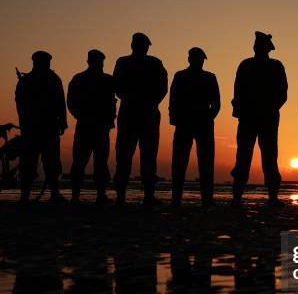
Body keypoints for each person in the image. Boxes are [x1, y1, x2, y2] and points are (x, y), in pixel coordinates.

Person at [230, 31, 288, 207]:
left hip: (267, 119)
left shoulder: (275, 66)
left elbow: (282, 94)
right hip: (250, 118)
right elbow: (238, 92)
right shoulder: (246, 65)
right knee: (244, 157)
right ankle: (237, 197)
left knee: (268, 158)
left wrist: (270, 109)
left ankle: (271, 197)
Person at [113, 33, 168, 206]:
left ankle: (132, 196)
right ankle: (141, 195)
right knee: (137, 154)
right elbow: (117, 87)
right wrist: (149, 101)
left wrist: (147, 101)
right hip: (141, 112)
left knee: (133, 154)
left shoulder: (128, 62)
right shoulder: (151, 63)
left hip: (138, 111)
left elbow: (162, 88)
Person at [169, 47, 220, 207]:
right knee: (180, 161)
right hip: (186, 122)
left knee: (204, 161)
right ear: (190, 59)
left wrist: (209, 117)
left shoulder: (209, 77)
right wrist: (175, 118)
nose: (199, 61)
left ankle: (206, 198)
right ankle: (177, 198)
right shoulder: (180, 76)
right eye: (197, 58)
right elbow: (173, 99)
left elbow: (216, 103)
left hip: (201, 122)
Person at [15, 50, 67, 203]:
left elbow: (60, 102)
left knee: (51, 163)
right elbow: (20, 103)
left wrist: (62, 121)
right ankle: (26, 195)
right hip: (33, 128)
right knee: (29, 163)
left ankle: (54, 193)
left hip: (47, 127)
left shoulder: (52, 79)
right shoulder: (27, 81)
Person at [67, 49, 117, 204]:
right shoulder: (81, 79)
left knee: (99, 162)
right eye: (99, 61)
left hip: (99, 127)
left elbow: (111, 102)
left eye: (101, 62)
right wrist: (80, 115)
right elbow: (71, 102)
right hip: (88, 126)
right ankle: (77, 196)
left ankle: (98, 195)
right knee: (82, 162)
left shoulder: (105, 80)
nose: (100, 64)